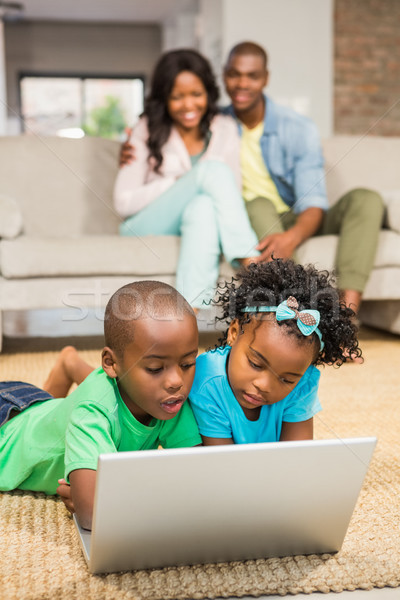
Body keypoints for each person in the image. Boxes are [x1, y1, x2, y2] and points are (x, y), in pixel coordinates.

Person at [120, 42, 384, 318]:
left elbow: (311, 199)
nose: (242, 84)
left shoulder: (276, 127)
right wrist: (134, 146)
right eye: (234, 74)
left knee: (366, 199)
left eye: (252, 76)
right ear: (223, 76)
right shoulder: (197, 122)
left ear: (265, 78)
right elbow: (167, 140)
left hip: (289, 214)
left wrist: (291, 237)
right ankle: (265, 283)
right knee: (244, 198)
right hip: (245, 213)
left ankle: (345, 317)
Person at [0, 281, 202, 530]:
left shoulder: (169, 401)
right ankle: (70, 366)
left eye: (187, 364)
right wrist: (96, 499)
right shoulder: (91, 412)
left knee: (72, 406)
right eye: (155, 368)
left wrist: (112, 494)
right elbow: (92, 516)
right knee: (93, 401)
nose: (175, 382)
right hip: (6, 428)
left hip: (37, 405)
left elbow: (198, 478)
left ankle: (69, 365)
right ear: (110, 362)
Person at [113, 48, 259, 310]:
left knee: (203, 207)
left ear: (208, 93)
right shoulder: (145, 129)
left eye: (196, 94)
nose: (188, 105)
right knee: (211, 171)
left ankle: (188, 316)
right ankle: (253, 266)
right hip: (145, 224)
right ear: (164, 99)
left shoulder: (224, 128)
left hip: (196, 218)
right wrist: (179, 182)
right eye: (177, 97)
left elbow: (230, 193)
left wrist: (194, 185)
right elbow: (123, 203)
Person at [189, 258, 360, 445]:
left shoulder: (302, 383)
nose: (264, 385)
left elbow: (296, 453)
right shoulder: (207, 379)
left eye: (286, 380)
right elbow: (225, 465)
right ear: (234, 332)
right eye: (255, 364)